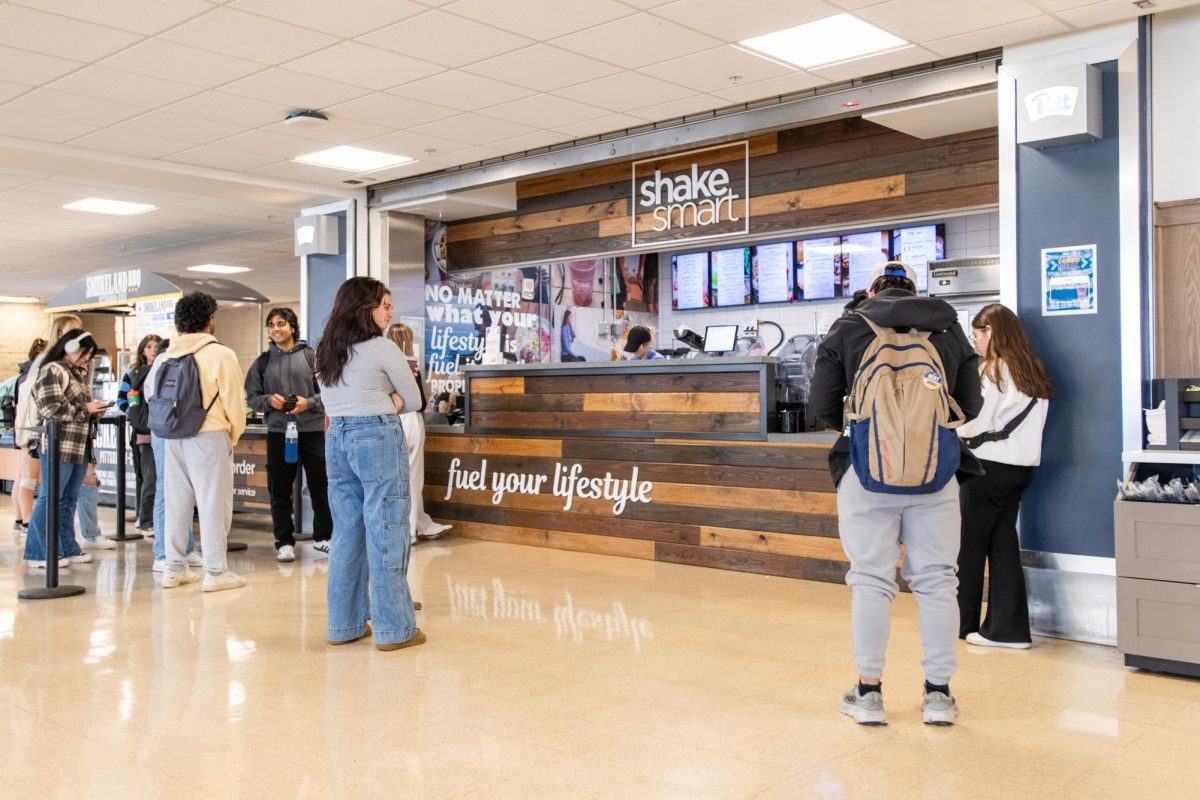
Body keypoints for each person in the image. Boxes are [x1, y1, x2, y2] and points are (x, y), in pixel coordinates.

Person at [810, 261, 982, 727]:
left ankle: (868, 693)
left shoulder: (849, 326)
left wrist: (863, 423)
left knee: (870, 580)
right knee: (939, 581)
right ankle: (939, 695)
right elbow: (973, 402)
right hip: (937, 471)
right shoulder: (946, 326)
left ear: (871, 291)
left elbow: (821, 405)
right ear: (916, 291)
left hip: (866, 471)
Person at [316, 277, 425, 651]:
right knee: (388, 528)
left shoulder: (326, 351)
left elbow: (333, 402)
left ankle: (343, 625)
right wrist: (387, 400)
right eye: (384, 305)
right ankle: (395, 628)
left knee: (346, 533)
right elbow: (414, 399)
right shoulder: (383, 348)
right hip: (376, 435)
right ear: (366, 308)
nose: (390, 312)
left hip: (337, 438)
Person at [956, 304, 1053, 649]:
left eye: (978, 335)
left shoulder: (995, 370)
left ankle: (961, 623)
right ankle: (1007, 629)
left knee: (968, 547)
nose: (976, 342)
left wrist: (955, 426)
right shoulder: (1032, 370)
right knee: (1002, 544)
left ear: (991, 332)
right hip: (1021, 470)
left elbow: (976, 421)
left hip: (986, 469)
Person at [157, 292, 247, 592]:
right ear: (210, 320)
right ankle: (216, 572)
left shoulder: (166, 356)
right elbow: (235, 402)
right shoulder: (221, 354)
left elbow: (151, 396)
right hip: (209, 436)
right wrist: (232, 435)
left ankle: (173, 568)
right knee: (213, 503)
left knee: (176, 503)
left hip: (173, 436)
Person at [244, 307, 332, 563]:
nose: (275, 329)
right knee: (279, 489)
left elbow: (329, 392)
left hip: (312, 430)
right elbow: (252, 397)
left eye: (280, 323)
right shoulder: (262, 362)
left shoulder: (311, 357)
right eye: (271, 325)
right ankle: (283, 541)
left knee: (320, 485)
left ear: (292, 326)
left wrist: (310, 403)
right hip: (279, 432)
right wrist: (269, 400)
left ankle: (323, 537)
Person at [22, 330, 108, 569]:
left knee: (68, 499)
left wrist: (94, 412)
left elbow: (75, 407)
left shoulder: (77, 373)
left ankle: (66, 547)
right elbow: (50, 409)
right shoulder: (52, 370)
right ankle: (39, 553)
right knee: (50, 498)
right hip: (58, 445)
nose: (86, 359)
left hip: (79, 445)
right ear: (70, 347)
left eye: (90, 355)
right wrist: (86, 409)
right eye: (85, 352)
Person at [387, 323, 452, 544]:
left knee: (395, 477)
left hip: (389, 420)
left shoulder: (383, 363)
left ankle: (420, 523)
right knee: (413, 477)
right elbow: (421, 402)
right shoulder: (410, 364)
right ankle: (411, 529)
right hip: (410, 419)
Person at [145, 337, 201, 572]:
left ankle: (185, 548)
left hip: (180, 429)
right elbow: (152, 396)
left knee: (183, 491)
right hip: (165, 428)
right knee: (166, 490)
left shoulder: (188, 358)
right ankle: (162, 552)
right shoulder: (164, 360)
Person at [116, 334, 162, 531]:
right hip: (144, 434)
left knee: (156, 478)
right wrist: (136, 416)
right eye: (149, 346)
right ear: (143, 350)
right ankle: (145, 519)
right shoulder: (133, 373)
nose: (153, 350)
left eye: (156, 346)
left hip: (162, 431)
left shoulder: (164, 369)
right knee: (147, 477)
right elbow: (122, 400)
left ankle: (150, 517)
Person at [11, 336, 47, 537]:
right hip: (29, 432)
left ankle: (20, 519)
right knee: (27, 479)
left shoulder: (23, 376)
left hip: (24, 430)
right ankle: (26, 521)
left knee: (21, 477)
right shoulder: (30, 378)